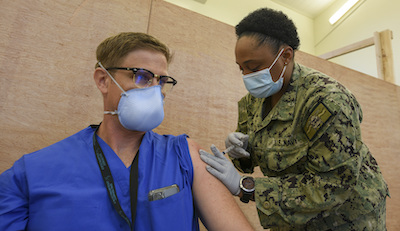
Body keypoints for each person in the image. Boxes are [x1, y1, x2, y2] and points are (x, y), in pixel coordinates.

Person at [0, 32, 253, 231]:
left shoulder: (185, 155)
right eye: (142, 77)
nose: (156, 90)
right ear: (103, 80)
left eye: (162, 81)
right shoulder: (31, 173)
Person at [199, 8, 389, 231]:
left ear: (286, 56)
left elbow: (333, 185)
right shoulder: (253, 102)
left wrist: (246, 187)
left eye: (253, 67)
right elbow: (257, 156)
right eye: (242, 69)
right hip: (292, 219)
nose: (247, 77)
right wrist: (243, 150)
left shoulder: (327, 101)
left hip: (346, 220)